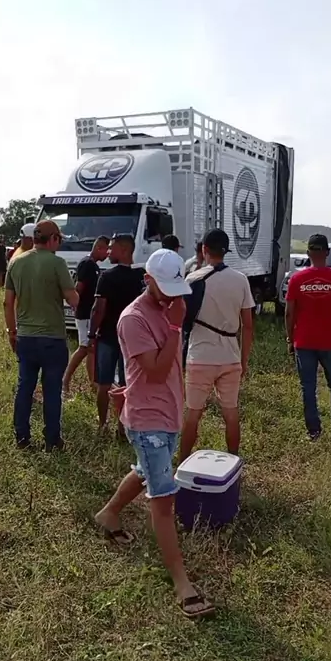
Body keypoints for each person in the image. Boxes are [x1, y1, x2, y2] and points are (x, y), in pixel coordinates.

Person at [95, 248, 215, 619]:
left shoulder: (170, 306)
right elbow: (158, 370)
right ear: (147, 280)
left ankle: (108, 514)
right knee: (163, 499)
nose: (171, 296)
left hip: (168, 412)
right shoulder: (134, 319)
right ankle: (182, 584)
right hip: (148, 420)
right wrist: (177, 327)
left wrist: (175, 320)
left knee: (145, 470)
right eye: (164, 288)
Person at [179, 229, 254, 462]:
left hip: (200, 356)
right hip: (230, 356)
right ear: (225, 251)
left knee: (193, 414)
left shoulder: (192, 279)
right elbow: (248, 326)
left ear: (204, 250)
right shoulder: (241, 280)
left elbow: (181, 322)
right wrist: (243, 360)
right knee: (231, 413)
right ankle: (234, 460)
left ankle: (182, 462)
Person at [4, 220, 78, 451]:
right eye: (59, 239)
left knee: (24, 387)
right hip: (53, 338)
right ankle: (52, 440)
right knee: (52, 391)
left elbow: (7, 303)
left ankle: (22, 437)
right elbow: (73, 299)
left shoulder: (15, 262)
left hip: (25, 337)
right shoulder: (57, 263)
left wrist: (12, 332)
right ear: (53, 238)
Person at [285, 233, 331, 442]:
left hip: (304, 341)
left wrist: (290, 339)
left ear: (308, 253)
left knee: (308, 387)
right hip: (329, 343)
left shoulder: (297, 279)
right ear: (327, 253)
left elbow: (289, 313)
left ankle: (313, 431)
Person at [88, 234, 144, 433]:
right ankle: (123, 426)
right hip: (131, 339)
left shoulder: (107, 277)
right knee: (127, 383)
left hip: (108, 336)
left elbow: (98, 309)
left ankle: (102, 424)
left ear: (124, 250)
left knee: (103, 383)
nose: (109, 251)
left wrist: (91, 334)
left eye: (112, 248)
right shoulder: (141, 277)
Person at [62, 236, 110, 395]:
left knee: (91, 349)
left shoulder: (93, 265)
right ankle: (65, 380)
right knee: (84, 348)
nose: (108, 254)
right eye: (106, 250)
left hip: (90, 313)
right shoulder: (87, 264)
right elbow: (79, 287)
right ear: (99, 248)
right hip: (84, 313)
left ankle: (92, 383)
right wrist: (74, 304)